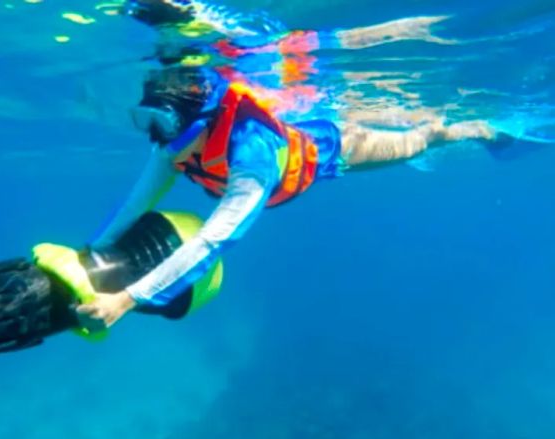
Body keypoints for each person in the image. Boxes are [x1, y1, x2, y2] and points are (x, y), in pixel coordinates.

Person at [67, 1, 503, 333]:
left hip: (327, 148)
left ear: (201, 121)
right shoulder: (173, 138)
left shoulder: (252, 157)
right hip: (288, 117)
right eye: (146, 122)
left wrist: (126, 299)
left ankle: (470, 128)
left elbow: (213, 240)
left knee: (416, 143)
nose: (156, 138)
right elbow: (134, 204)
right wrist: (93, 249)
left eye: (162, 125)